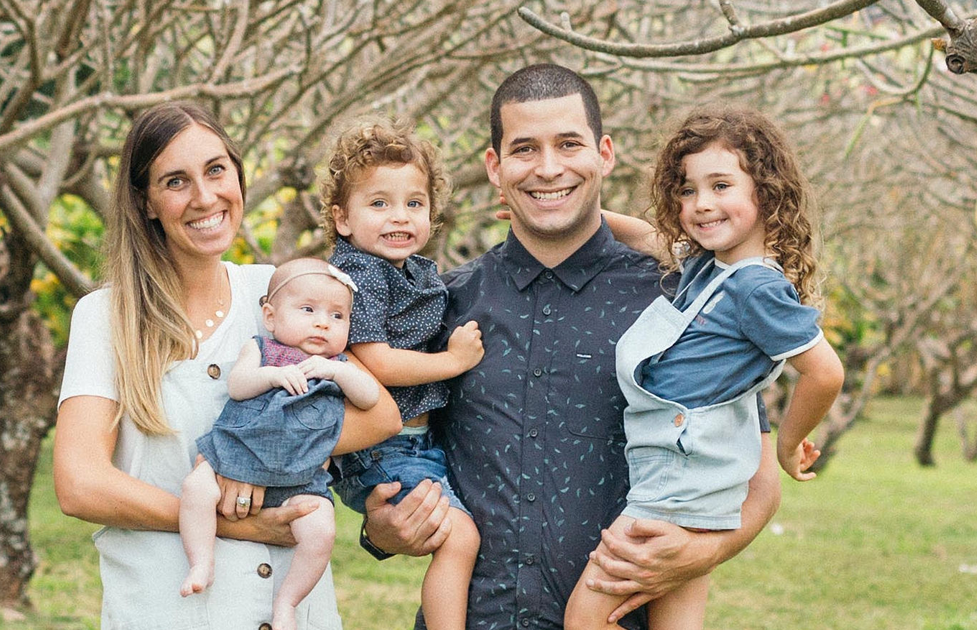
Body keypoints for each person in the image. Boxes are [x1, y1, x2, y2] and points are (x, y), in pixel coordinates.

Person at [357, 64, 782, 630]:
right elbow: (385, 440)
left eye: (569, 144)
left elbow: (758, 483)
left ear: (604, 154)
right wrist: (378, 527)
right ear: (495, 167)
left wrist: (697, 556)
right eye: (525, 148)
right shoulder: (442, 304)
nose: (549, 167)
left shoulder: (682, 304)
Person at [53, 101, 401, 630]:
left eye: (216, 170)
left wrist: (256, 457)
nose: (205, 196)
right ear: (145, 202)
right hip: (169, 612)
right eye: (175, 181)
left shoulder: (280, 290)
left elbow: (380, 416)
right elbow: (80, 483)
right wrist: (236, 524)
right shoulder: (105, 317)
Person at [563, 106, 846, 629]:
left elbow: (825, 372)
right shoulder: (713, 268)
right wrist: (577, 218)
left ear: (766, 192)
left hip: (677, 479)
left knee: (585, 619)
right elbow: (650, 238)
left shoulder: (754, 287)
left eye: (720, 185)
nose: (701, 204)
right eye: (688, 190)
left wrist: (787, 446)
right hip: (687, 477)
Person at [320, 119, 483, 630]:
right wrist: (453, 362)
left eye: (414, 203)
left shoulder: (412, 270)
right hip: (381, 448)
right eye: (380, 203)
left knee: (463, 535)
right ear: (342, 218)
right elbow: (379, 361)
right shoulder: (359, 274)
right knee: (460, 538)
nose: (400, 217)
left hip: (412, 441)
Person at [178, 258, 379, 630]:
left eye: (338, 316)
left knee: (322, 530)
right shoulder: (262, 350)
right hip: (232, 458)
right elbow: (237, 386)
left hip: (300, 480)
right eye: (308, 310)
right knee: (195, 488)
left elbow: (370, 399)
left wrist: (337, 371)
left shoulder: (338, 364)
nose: (323, 322)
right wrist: (271, 375)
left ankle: (288, 601)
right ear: (270, 317)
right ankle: (201, 560)